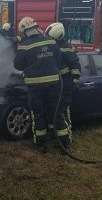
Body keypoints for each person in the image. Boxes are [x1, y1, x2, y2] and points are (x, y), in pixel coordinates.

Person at [14, 17, 69, 152]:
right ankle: (64, 144)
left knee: (38, 114)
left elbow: (18, 65)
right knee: (56, 113)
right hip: (54, 85)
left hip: (35, 87)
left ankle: (41, 144)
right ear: (36, 28)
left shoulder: (25, 46)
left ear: (25, 32)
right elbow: (58, 59)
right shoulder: (51, 41)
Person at [45, 23, 81, 142]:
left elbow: (75, 66)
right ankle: (53, 134)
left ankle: (67, 137)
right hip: (55, 82)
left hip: (65, 82)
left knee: (62, 109)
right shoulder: (53, 45)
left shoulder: (67, 47)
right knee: (52, 109)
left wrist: (74, 82)